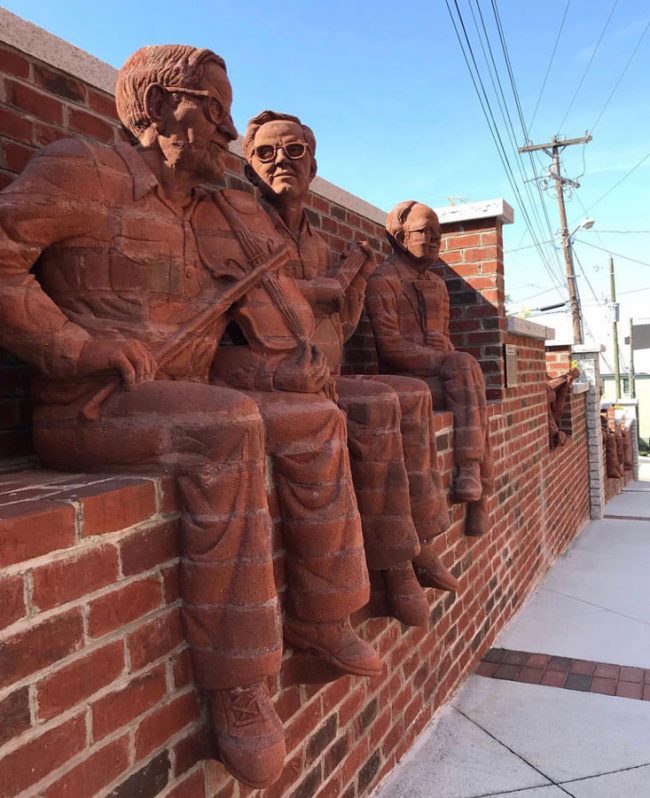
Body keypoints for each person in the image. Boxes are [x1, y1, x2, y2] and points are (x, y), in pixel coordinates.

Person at [0, 45, 380, 790]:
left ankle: (323, 617)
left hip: (184, 392)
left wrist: (288, 363)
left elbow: (263, 322)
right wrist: (77, 345)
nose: (230, 131)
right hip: (89, 406)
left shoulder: (211, 210)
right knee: (229, 428)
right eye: (213, 110)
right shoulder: (86, 170)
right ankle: (237, 682)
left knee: (314, 420)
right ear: (156, 107)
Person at [234, 110, 458, 629]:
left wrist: (350, 292)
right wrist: (318, 291)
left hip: (322, 371)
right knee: (375, 404)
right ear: (248, 169)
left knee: (412, 395)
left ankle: (420, 541)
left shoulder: (317, 243)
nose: (281, 161)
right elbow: (245, 298)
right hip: (272, 376)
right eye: (265, 153)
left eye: (294, 151)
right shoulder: (241, 228)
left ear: (313, 166)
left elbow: (341, 327)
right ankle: (396, 566)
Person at [366, 201, 493, 536]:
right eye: (425, 232)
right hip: (405, 379)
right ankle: (476, 488)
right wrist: (442, 358)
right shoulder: (383, 280)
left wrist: (445, 350)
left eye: (438, 233)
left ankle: (472, 476)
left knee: (471, 389)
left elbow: (445, 341)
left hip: (440, 377)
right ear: (400, 237)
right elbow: (389, 346)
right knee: (467, 376)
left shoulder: (438, 285)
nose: (435, 240)